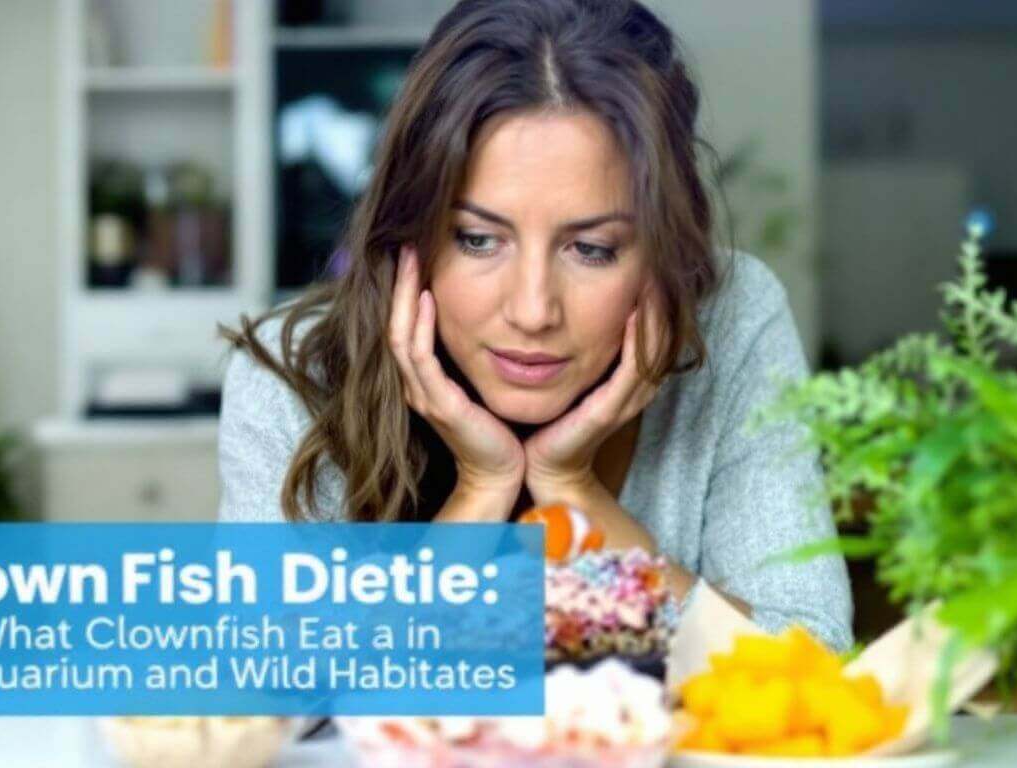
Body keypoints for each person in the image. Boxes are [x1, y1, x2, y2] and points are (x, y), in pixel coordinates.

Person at [218, 0, 852, 650]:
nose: (531, 310)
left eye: (592, 249)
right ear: (407, 233)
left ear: (666, 255)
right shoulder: (294, 374)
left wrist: (575, 494)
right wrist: (482, 491)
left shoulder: (731, 316)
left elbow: (814, 663)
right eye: (476, 239)